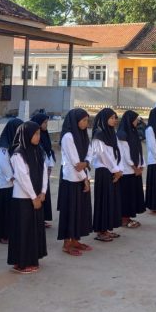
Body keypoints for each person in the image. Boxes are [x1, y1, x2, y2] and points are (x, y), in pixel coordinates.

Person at [7, 121, 48, 273]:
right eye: (35, 134)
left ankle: (31, 258)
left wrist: (43, 191)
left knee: (33, 229)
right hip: (23, 198)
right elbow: (22, 177)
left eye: (39, 134)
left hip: (37, 196)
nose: (38, 137)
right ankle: (21, 263)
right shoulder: (18, 154)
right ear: (27, 135)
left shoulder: (39, 151)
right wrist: (33, 197)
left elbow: (44, 171)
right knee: (23, 230)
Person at [57, 108, 94, 256]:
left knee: (80, 210)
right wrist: (85, 178)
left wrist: (86, 163)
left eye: (87, 120)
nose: (86, 123)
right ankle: (67, 243)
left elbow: (90, 152)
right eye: (83, 120)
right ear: (75, 120)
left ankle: (76, 239)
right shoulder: (68, 136)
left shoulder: (83, 134)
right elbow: (75, 162)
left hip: (83, 176)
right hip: (71, 179)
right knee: (70, 210)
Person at [91, 108, 123, 242]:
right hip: (104, 171)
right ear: (104, 119)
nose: (114, 120)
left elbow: (118, 152)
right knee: (103, 201)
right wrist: (115, 170)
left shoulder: (112, 133)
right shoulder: (99, 135)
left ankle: (107, 228)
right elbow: (103, 155)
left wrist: (119, 170)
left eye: (115, 118)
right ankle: (101, 231)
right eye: (111, 118)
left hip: (113, 171)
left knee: (111, 201)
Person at [0, 118, 22, 244]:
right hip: (6, 183)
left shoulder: (16, 143)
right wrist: (12, 177)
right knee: (5, 210)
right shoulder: (3, 146)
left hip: (15, 182)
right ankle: (3, 235)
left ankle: (11, 233)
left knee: (12, 210)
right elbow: (3, 164)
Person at [117, 110, 145, 228]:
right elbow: (125, 154)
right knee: (126, 195)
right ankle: (123, 219)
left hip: (134, 169)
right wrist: (134, 167)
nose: (137, 121)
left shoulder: (133, 132)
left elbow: (138, 150)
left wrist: (141, 164)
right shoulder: (122, 134)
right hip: (127, 170)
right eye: (135, 119)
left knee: (132, 195)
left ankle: (127, 217)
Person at [31, 113, 56, 227]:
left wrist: (50, 166)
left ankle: (42, 218)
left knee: (44, 194)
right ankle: (37, 220)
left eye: (47, 122)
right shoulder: (34, 137)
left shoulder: (45, 135)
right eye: (44, 122)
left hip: (45, 171)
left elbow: (49, 151)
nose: (46, 125)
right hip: (38, 172)